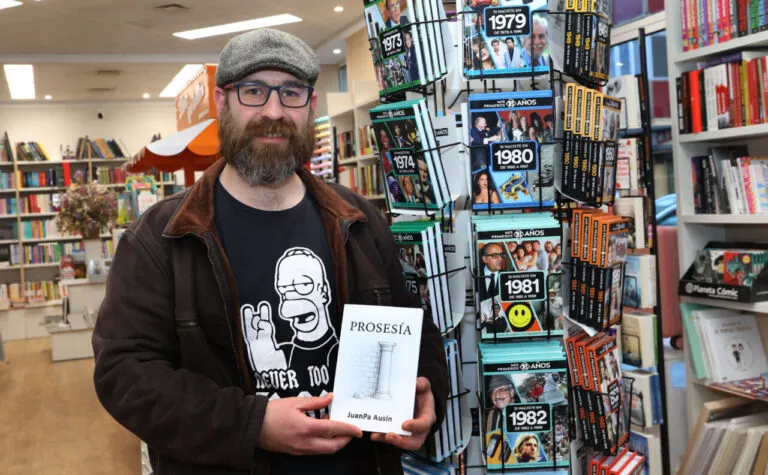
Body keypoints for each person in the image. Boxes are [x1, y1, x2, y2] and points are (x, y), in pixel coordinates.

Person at [91, 28, 448, 475]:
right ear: (222, 102)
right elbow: (125, 374)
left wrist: (428, 393)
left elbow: (415, 325)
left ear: (311, 106)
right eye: (254, 92)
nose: (274, 111)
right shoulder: (160, 238)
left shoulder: (358, 220)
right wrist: (252, 424)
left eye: (291, 93)